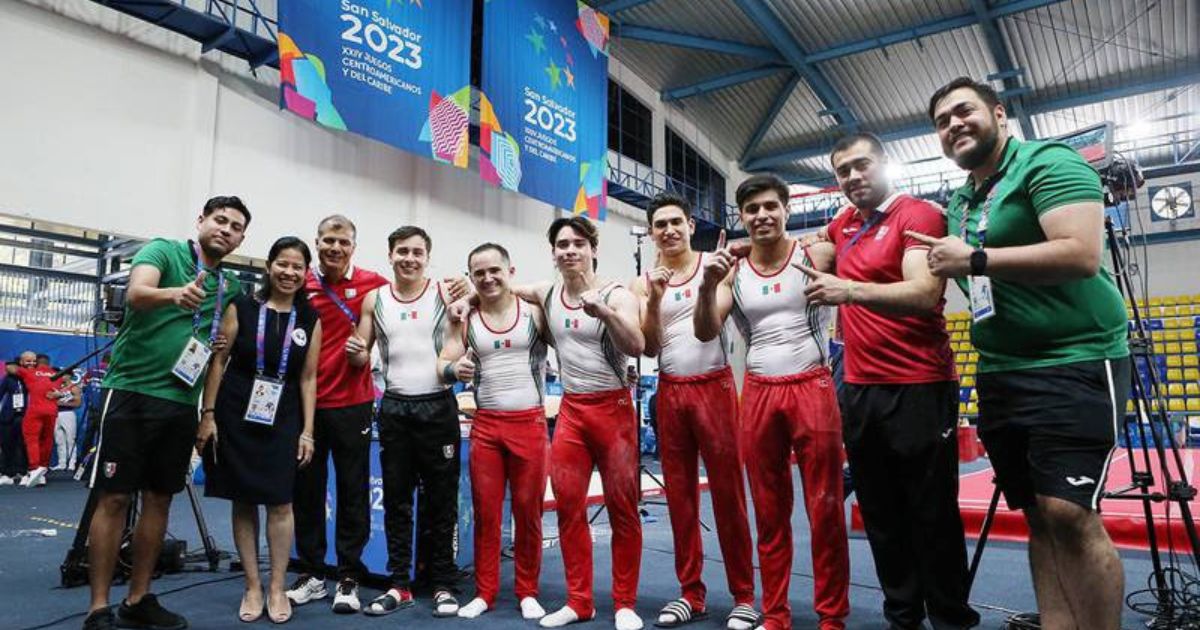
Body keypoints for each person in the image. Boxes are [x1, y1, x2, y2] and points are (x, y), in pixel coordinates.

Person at [915, 77, 1130, 630]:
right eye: (942, 121)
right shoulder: (961, 199)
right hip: (1001, 371)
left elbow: (1081, 253)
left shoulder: (1047, 163)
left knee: (1068, 512)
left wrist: (978, 260)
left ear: (999, 113)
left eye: (964, 111)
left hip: (1075, 359)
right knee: (1037, 514)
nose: (953, 125)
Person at [800, 132, 980, 629]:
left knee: (932, 511)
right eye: (843, 171)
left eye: (862, 165)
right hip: (858, 386)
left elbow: (925, 293)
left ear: (885, 164)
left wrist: (849, 290)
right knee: (880, 513)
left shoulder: (917, 215)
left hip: (918, 382)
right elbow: (821, 247)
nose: (854, 177)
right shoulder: (846, 222)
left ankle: (950, 616)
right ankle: (902, 614)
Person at [81, 195, 249, 630]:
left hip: (181, 407)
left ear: (241, 239)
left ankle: (139, 599)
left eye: (235, 227)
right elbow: (136, 294)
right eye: (219, 220)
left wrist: (208, 413)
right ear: (201, 220)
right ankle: (98, 607)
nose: (225, 230)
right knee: (114, 497)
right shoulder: (163, 251)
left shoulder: (229, 289)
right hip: (131, 393)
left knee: (159, 500)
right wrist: (176, 295)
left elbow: (218, 358)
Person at [694, 174, 849, 630]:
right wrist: (706, 285)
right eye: (752, 210)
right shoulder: (733, 273)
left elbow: (848, 229)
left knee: (824, 508)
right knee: (768, 509)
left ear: (785, 209)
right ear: (741, 217)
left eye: (769, 207)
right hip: (759, 389)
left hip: (813, 387)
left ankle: (832, 615)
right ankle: (776, 613)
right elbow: (705, 331)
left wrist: (817, 233)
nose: (761, 215)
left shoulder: (815, 253)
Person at [630, 192, 759, 630]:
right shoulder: (643, 281)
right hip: (670, 391)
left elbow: (709, 331)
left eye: (675, 222)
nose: (668, 230)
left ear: (689, 225)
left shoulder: (716, 265)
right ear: (651, 233)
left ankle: (744, 595)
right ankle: (690, 593)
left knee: (728, 495)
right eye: (659, 224)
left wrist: (707, 282)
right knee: (680, 498)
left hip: (714, 387)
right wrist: (653, 299)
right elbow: (648, 346)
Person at [522, 216, 645, 630]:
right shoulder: (547, 292)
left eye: (578, 243)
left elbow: (637, 344)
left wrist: (605, 312)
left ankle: (625, 602)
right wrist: (466, 294)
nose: (570, 250)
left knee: (622, 509)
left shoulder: (618, 294)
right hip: (572, 411)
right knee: (568, 507)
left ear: (593, 248)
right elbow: (500, 289)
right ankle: (580, 601)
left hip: (613, 410)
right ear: (553, 253)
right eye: (562, 244)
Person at [196, 237, 322, 624]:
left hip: (283, 415)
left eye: (298, 266)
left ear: (306, 273)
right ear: (270, 266)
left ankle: (276, 585)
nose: (289, 272)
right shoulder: (243, 307)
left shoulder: (310, 318)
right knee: (243, 499)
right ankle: (252, 583)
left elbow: (308, 378)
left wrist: (307, 432)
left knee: (281, 502)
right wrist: (209, 413)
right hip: (236, 410)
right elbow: (218, 362)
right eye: (282, 264)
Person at [350, 226, 469, 617]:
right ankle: (399, 583)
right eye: (402, 251)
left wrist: (465, 292)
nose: (410, 258)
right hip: (396, 408)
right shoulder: (374, 299)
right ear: (390, 255)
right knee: (397, 500)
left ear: (427, 257)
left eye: (418, 252)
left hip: (437, 407)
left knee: (441, 501)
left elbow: (462, 329)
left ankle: (443, 584)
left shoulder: (445, 293)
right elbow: (360, 355)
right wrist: (353, 351)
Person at [437, 242, 550, 621]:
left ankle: (527, 590)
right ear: (471, 277)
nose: (487, 278)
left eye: (494, 271)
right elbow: (444, 364)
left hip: (529, 423)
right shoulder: (464, 318)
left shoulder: (534, 312)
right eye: (478, 273)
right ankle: (485, 592)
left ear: (510, 271)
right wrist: (456, 371)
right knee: (487, 514)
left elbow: (570, 329)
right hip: (486, 426)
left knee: (528, 512)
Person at [288, 214, 389, 614]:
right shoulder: (301, 283)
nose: (334, 247)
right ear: (317, 242)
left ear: (353, 246)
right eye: (328, 240)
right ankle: (312, 573)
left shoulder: (373, 284)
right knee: (307, 492)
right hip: (306, 408)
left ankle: (348, 575)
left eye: (342, 242)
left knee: (352, 491)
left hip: (353, 404)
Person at [6, 351, 61, 487]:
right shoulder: (56, 375)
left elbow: (9, 368)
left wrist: (21, 366)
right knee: (47, 440)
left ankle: (35, 468)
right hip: (52, 411)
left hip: (35, 411)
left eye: (33, 361)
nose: (31, 364)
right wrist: (60, 393)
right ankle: (42, 472)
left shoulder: (29, 372)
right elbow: (65, 389)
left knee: (32, 440)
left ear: (37, 363)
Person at [0, 361, 29, 485]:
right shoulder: (7, 379)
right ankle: (7, 473)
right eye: (7, 368)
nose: (9, 370)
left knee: (23, 445)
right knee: (7, 444)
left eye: (12, 367)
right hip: (8, 416)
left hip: (25, 415)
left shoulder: (28, 378)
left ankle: (22, 472)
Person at [53, 370, 83, 472]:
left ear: (69, 376)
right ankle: (61, 463)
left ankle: (72, 463)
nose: (61, 376)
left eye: (63, 374)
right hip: (55, 414)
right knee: (59, 440)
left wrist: (60, 403)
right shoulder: (57, 387)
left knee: (71, 439)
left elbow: (78, 403)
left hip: (68, 414)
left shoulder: (74, 388)